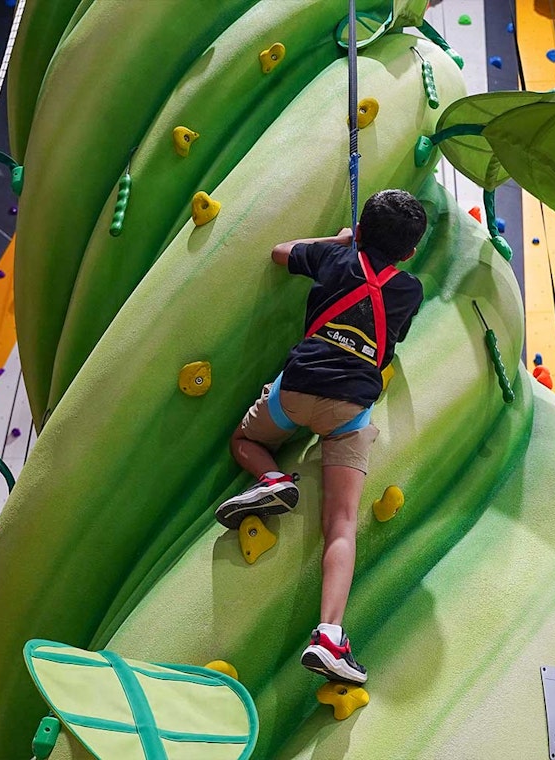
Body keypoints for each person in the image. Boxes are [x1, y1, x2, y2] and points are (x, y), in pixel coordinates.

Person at [214, 189, 427, 684]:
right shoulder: (408, 290)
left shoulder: (334, 256)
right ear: (410, 253)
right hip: (350, 409)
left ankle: (270, 478)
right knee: (341, 525)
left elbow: (280, 251)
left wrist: (337, 240)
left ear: (361, 232)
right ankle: (329, 635)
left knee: (242, 442)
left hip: (297, 389)